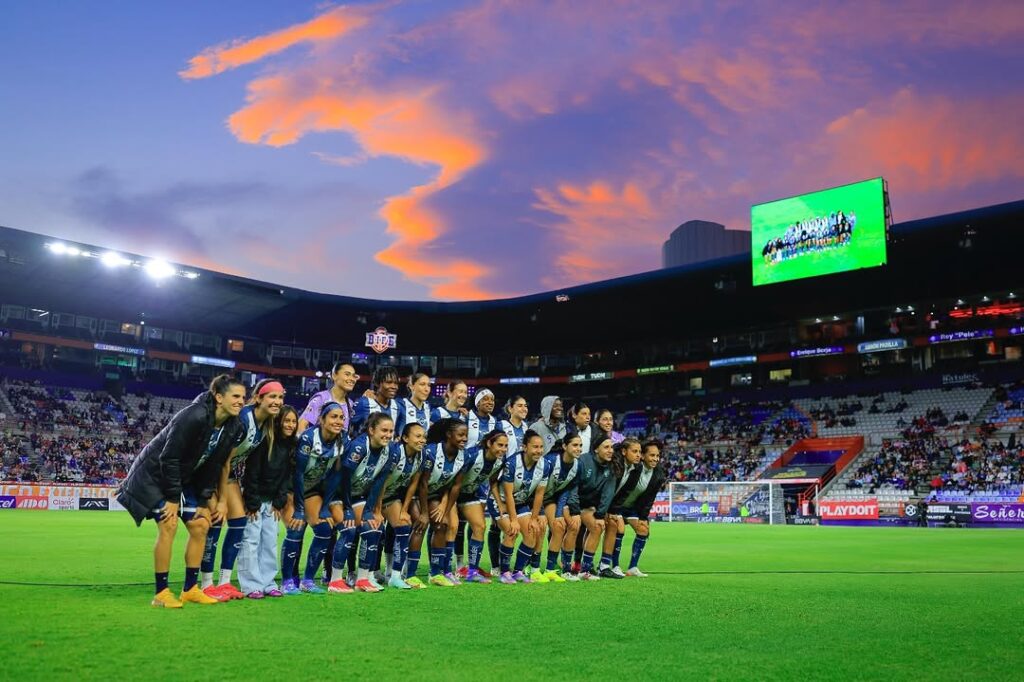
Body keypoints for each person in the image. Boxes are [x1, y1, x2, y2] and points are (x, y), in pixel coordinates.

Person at [116, 374, 245, 608]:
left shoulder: (233, 426)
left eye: (243, 397)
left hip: (182, 478)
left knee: (201, 525)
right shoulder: (193, 416)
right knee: (169, 524)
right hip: (153, 475)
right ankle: (161, 593)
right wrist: (173, 500)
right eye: (235, 396)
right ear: (218, 397)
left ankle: (190, 589)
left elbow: (213, 465)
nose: (241, 401)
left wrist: (206, 500)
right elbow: (169, 457)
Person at [202, 378, 283, 601]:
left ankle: (225, 582)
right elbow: (222, 458)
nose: (277, 401)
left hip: (226, 474)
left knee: (238, 522)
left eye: (280, 397)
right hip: (210, 471)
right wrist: (218, 498)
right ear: (258, 398)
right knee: (216, 522)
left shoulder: (266, 425)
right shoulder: (244, 420)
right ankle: (207, 583)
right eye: (272, 397)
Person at [282, 401, 347, 594]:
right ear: (321, 419)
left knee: (325, 528)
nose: (338, 421)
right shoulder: (309, 438)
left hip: (312, 490)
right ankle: (287, 581)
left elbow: (335, 475)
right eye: (334, 417)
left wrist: (326, 505)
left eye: (341, 418)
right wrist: (300, 509)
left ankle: (308, 580)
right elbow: (299, 474)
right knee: (296, 528)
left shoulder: (341, 440)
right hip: (291, 489)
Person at [328, 412, 395, 594]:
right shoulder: (359, 448)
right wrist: (348, 509)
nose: (388, 435)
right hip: (336, 494)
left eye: (391, 431)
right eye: (384, 430)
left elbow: (378, 483)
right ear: (371, 430)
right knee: (349, 529)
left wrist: (369, 511)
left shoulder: (390, 450)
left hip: (357, 496)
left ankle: (362, 579)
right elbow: (343, 479)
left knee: (373, 527)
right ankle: (335, 580)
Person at [237, 405, 297, 598]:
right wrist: (252, 502)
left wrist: (279, 501)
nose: (290, 425)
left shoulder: (291, 445)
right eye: (286, 420)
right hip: (255, 501)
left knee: (270, 542)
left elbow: (286, 477)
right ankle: (251, 585)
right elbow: (251, 472)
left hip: (273, 503)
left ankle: (268, 582)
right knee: (251, 542)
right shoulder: (264, 441)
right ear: (278, 421)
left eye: (293, 421)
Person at [495, 430, 552, 584]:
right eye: (535, 447)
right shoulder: (512, 463)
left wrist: (534, 518)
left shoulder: (545, 465)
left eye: (541, 447)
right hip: (501, 502)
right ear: (525, 447)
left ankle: (517, 571)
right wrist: (513, 520)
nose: (539, 451)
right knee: (511, 531)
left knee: (532, 532)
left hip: (520, 503)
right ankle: (504, 572)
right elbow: (507, 494)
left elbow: (539, 494)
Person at [376, 422, 428, 589]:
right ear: (405, 438)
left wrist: (404, 510)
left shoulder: (421, 455)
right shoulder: (395, 453)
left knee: (404, 525)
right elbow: (381, 482)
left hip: (392, 496)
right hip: (374, 495)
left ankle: (395, 576)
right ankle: (367, 573)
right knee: (373, 531)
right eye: (418, 436)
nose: (422, 440)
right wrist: (376, 510)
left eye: (424, 437)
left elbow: (413, 484)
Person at [418, 418, 469, 587]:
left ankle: (436, 573)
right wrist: (424, 513)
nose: (464, 438)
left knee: (442, 525)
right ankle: (404, 571)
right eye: (460, 435)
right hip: (415, 494)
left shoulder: (463, 456)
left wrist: (445, 509)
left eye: (466, 435)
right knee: (415, 527)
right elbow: (422, 484)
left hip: (434, 494)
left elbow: (455, 486)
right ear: (448, 435)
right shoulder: (431, 452)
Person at [456, 429, 509, 583]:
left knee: (479, 526)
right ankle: (441, 570)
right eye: (500, 445)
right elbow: (455, 482)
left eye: (506, 446)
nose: (503, 449)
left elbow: (492, 481)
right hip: (450, 493)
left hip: (469, 494)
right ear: (489, 443)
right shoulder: (472, 455)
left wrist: (499, 503)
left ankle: (472, 572)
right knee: (449, 527)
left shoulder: (500, 461)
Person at [609, 440, 665, 577]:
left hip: (632, 508)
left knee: (643, 529)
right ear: (643, 456)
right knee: (619, 529)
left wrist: (643, 517)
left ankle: (632, 567)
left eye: (657, 456)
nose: (655, 459)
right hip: (617, 505)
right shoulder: (634, 468)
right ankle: (615, 566)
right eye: (652, 455)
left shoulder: (658, 474)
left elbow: (650, 498)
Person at [540, 433, 583, 581]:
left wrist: (560, 512)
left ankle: (555, 570)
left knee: (561, 526)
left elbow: (567, 490)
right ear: (565, 446)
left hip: (553, 498)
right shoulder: (551, 461)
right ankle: (530, 566)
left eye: (580, 445)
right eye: (575, 445)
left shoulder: (578, 465)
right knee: (538, 527)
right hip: (535, 497)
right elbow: (537, 484)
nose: (579, 449)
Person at [600, 438, 642, 578]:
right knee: (592, 527)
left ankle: (605, 565)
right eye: (634, 451)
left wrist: (613, 511)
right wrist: (604, 510)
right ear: (624, 451)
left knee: (613, 524)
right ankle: (580, 565)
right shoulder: (614, 464)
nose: (638, 455)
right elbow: (605, 489)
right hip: (597, 502)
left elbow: (625, 493)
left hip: (611, 505)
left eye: (639, 452)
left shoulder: (636, 468)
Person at [575, 433, 616, 581]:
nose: (610, 450)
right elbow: (573, 486)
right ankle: (582, 568)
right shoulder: (583, 460)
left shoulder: (610, 468)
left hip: (589, 506)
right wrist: (573, 509)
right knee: (595, 527)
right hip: (573, 503)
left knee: (604, 524)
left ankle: (590, 568)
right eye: (606, 447)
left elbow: (607, 494)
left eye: (611, 447)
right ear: (596, 449)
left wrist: (599, 514)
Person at [298, 362, 358, 433]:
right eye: (347, 374)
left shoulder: (351, 404)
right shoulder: (321, 399)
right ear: (334, 376)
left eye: (354, 376)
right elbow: (301, 425)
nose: (352, 379)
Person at [351, 366, 401, 434]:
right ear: (377, 383)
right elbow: (350, 427)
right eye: (389, 382)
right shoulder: (363, 403)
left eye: (396, 383)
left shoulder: (398, 406)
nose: (394, 387)